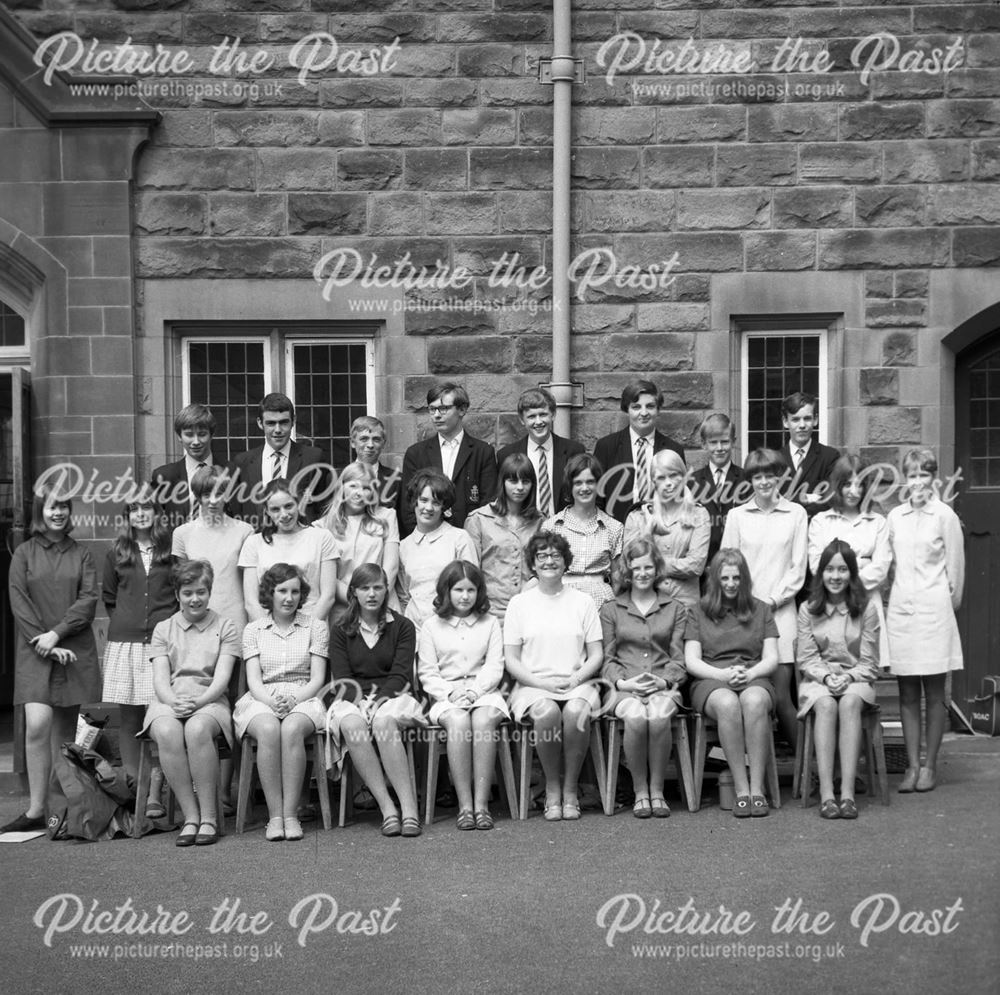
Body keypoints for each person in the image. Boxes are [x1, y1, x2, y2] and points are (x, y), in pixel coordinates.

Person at [2, 484, 100, 833]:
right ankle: (35, 809)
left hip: (70, 648)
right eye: (51, 507)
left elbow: (88, 601)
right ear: (39, 512)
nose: (57, 512)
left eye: (63, 506)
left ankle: (62, 811)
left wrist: (57, 634)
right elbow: (19, 601)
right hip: (34, 652)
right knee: (38, 725)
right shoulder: (24, 553)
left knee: (62, 734)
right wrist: (42, 642)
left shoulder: (82, 554)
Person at [503, 531, 603, 821]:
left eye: (555, 555)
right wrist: (542, 684)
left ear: (565, 561)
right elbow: (512, 660)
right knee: (546, 713)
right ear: (532, 564)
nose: (549, 561)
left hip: (578, 682)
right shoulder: (519, 604)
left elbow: (596, 654)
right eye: (542, 556)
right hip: (534, 685)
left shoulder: (582, 602)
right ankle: (552, 787)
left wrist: (574, 680)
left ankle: (571, 789)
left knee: (575, 711)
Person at [142, 560, 240, 847]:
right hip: (168, 700)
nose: (194, 599)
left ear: (209, 592)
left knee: (196, 730)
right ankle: (190, 815)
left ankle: (209, 816)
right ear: (177, 594)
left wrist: (198, 702)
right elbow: (161, 681)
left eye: (200, 592)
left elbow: (221, 679)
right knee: (168, 731)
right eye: (187, 593)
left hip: (209, 701)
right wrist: (174, 703)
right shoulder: (163, 629)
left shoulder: (226, 627)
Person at [886, 447, 965, 794]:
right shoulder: (895, 517)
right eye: (912, 475)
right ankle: (912, 767)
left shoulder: (944, 516)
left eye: (924, 475)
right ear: (905, 478)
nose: (917, 482)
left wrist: (943, 609)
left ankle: (930, 766)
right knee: (906, 692)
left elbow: (956, 576)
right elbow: (887, 568)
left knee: (934, 693)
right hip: (902, 611)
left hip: (934, 612)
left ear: (934, 478)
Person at [233, 564, 328, 841]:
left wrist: (293, 700)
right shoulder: (254, 629)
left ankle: (291, 815)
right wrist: (272, 702)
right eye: (282, 591)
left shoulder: (316, 627)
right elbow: (253, 681)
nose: (289, 598)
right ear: (270, 593)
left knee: (291, 728)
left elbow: (317, 678)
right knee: (268, 729)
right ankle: (274, 817)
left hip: (304, 694)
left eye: (295, 591)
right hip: (263, 696)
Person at [328, 564, 424, 837]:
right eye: (364, 588)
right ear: (354, 592)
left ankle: (409, 809)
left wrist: (378, 701)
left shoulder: (403, 626)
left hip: (395, 695)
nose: (371, 594)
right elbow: (343, 679)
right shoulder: (341, 629)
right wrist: (361, 703)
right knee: (351, 723)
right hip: (353, 697)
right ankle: (387, 808)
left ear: (386, 590)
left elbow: (401, 674)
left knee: (383, 721)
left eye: (378, 587)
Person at [721, 447, 807, 750]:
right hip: (742, 616)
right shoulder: (737, 516)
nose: (764, 482)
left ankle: (805, 768)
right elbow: (726, 565)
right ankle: (752, 771)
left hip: (781, 616)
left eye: (770, 475)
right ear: (750, 480)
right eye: (758, 476)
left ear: (780, 477)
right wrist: (745, 604)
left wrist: (771, 601)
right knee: (746, 695)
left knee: (783, 697)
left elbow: (798, 569)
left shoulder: (796, 514)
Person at [684, 549, 780, 818]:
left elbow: (772, 657)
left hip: (753, 674)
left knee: (754, 700)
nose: (730, 583)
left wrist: (750, 675)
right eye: (724, 578)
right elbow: (692, 661)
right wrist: (722, 676)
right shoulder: (698, 612)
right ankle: (741, 789)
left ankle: (757, 789)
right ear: (714, 579)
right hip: (711, 679)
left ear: (744, 578)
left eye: (736, 577)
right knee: (727, 703)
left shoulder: (761, 609)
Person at [100, 488, 177, 815]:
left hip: (160, 642)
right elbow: (110, 596)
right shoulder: (117, 551)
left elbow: (178, 590)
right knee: (130, 719)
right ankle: (135, 788)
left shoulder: (169, 550)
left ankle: (156, 792)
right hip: (126, 643)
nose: (141, 514)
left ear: (157, 513)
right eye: (135, 510)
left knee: (158, 717)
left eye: (147, 509)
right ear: (128, 516)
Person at [417, 561, 508, 830]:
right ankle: (465, 806)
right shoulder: (431, 626)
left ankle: (482, 805)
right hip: (447, 695)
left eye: (471, 590)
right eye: (458, 589)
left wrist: (474, 691)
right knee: (458, 723)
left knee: (482, 722)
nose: (465, 596)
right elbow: (428, 672)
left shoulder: (490, 623)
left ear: (479, 592)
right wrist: (452, 692)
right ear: (446, 591)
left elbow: (494, 666)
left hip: (484, 692)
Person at [600, 539, 687, 819]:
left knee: (660, 715)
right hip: (624, 686)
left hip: (663, 685)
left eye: (648, 567)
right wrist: (623, 684)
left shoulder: (674, 608)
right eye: (636, 567)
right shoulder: (611, 609)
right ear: (627, 570)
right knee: (636, 716)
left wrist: (664, 681)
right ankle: (640, 791)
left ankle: (658, 790)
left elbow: (679, 659)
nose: (642, 573)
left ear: (657, 568)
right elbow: (607, 658)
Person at [797, 540, 881, 820]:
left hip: (855, 678)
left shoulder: (866, 609)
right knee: (826, 705)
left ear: (852, 573)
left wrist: (846, 677)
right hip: (818, 679)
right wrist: (827, 677)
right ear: (820, 574)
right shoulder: (808, 610)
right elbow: (807, 660)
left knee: (849, 703)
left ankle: (847, 793)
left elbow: (869, 663)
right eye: (830, 570)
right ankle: (826, 795)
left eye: (842, 570)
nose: (835, 576)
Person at [808, 455, 891, 665]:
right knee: (833, 665)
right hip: (830, 604)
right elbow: (817, 564)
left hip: (865, 601)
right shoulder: (821, 521)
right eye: (847, 485)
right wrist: (843, 584)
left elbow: (881, 566)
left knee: (865, 667)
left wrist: (850, 584)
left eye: (859, 485)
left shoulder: (877, 522)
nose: (854, 492)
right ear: (838, 486)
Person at [398, 382, 497, 536]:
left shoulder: (483, 452)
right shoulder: (416, 454)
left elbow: (488, 504)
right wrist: (423, 540)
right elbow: (408, 506)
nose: (436, 415)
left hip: (470, 541)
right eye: (432, 409)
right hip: (427, 543)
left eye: (443, 408)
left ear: (462, 409)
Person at [239, 478, 337, 625]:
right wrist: (271, 633)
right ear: (267, 511)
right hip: (268, 632)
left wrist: (304, 631)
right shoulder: (254, 543)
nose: (284, 514)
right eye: (275, 509)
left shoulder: (321, 537)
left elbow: (328, 596)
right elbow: (251, 602)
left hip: (312, 628)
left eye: (289, 506)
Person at [227, 392, 330, 529]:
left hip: (301, 541)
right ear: (260, 423)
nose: (278, 430)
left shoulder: (313, 458)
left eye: (283, 422)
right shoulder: (243, 462)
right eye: (270, 423)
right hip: (258, 541)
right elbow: (237, 512)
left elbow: (324, 508)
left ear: (293, 421)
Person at [624, 448, 710, 609]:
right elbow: (629, 564)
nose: (668, 483)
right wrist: (647, 534)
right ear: (653, 481)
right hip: (647, 604)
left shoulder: (699, 514)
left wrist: (653, 564)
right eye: (661, 478)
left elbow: (696, 566)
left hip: (686, 606)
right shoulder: (638, 516)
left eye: (674, 475)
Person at [464, 453, 543, 621]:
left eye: (526, 481)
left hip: (530, 609)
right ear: (503, 482)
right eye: (513, 481)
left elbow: (544, 566)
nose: (520, 487)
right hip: (489, 611)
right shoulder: (479, 519)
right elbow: (470, 570)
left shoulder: (541, 522)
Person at [593, 379, 685, 524]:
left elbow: (679, 499)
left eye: (650, 406)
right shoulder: (606, 447)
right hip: (618, 533)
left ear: (658, 409)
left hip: (661, 532)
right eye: (636, 407)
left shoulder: (673, 450)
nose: (644, 413)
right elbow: (596, 499)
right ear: (626, 410)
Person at [396, 469, 478, 629]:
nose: (428, 507)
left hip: (452, 631)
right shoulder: (404, 546)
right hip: (416, 635)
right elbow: (404, 596)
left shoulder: (459, 539)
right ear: (414, 502)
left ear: (444, 506)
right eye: (423, 500)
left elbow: (471, 587)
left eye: (436, 502)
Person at [320, 462, 400, 625]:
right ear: (342, 488)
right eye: (353, 486)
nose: (359, 493)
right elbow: (329, 579)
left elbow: (391, 568)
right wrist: (358, 601)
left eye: (366, 488)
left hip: (383, 607)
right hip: (342, 610)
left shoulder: (387, 518)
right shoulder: (322, 527)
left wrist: (375, 599)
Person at [543, 453, 623, 610]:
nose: (584, 488)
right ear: (570, 486)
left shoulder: (614, 528)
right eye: (578, 483)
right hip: (561, 603)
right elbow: (544, 572)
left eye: (590, 482)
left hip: (602, 605)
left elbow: (617, 578)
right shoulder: (552, 527)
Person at [496, 387, 584, 518]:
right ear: (522, 420)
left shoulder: (574, 451)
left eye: (543, 414)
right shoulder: (506, 455)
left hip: (564, 529)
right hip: (523, 528)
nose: (538, 422)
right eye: (531, 416)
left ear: (553, 414)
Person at [688, 413, 747, 567]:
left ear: (733, 442)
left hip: (737, 565)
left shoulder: (746, 479)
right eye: (713, 442)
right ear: (704, 444)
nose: (719, 448)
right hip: (704, 566)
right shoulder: (691, 482)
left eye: (725, 442)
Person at [151, 403, 218, 531]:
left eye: (202, 434)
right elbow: (155, 523)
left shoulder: (230, 471)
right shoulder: (164, 476)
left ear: (212, 434)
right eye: (189, 435)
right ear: (179, 436)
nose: (196, 441)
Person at [777, 391, 840, 518]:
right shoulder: (775, 459)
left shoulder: (830, 457)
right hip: (783, 531)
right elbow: (772, 501)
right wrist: (809, 498)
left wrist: (790, 502)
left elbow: (830, 499)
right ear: (785, 422)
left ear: (815, 420)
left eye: (807, 418)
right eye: (795, 419)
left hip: (817, 530)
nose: (802, 425)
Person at [347, 415, 399, 509]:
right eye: (364, 439)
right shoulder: (337, 478)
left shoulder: (397, 480)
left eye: (376, 439)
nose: (370, 445)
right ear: (353, 442)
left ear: (383, 444)